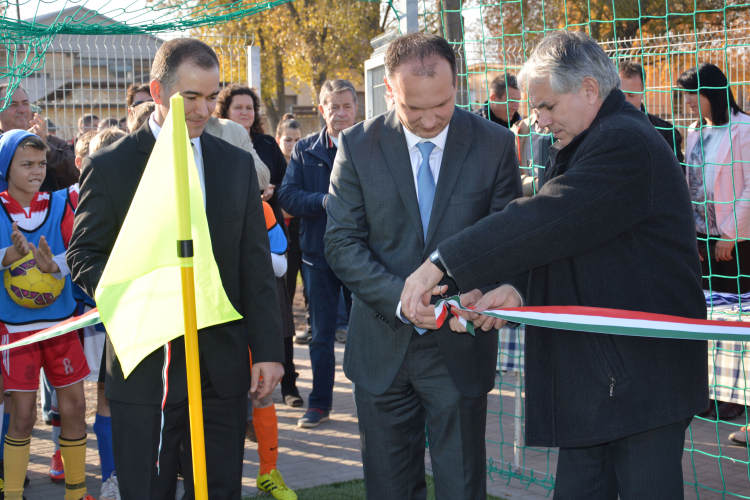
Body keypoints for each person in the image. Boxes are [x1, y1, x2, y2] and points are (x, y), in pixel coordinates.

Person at [401, 31, 708, 499]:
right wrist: (518, 291)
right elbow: (570, 238)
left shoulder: (624, 142)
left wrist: (441, 262)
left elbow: (547, 217)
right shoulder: (589, 140)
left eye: (546, 106)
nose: (538, 120)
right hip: (604, 378)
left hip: (641, 379)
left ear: (589, 89)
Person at [67, 38, 285, 499]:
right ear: (158, 91)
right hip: (148, 371)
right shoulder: (111, 166)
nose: (205, 109)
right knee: (149, 489)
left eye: (211, 96)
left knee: (221, 488)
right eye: (191, 97)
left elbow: (254, 265)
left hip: (221, 369)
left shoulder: (235, 164)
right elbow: (84, 256)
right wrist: (148, 289)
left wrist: (268, 349)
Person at [324, 33, 522, 499]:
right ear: (389, 92)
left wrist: (490, 289)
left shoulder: (494, 144)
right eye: (415, 109)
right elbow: (340, 243)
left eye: (444, 103)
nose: (431, 119)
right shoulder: (357, 146)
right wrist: (402, 297)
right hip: (381, 348)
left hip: (460, 346)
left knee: (462, 486)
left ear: (458, 85)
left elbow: (511, 237)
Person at [0, 130, 94, 500]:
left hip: (60, 325)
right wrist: (7, 257)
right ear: (7, 168)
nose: (36, 171)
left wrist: (53, 266)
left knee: (75, 405)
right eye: (26, 164)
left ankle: (76, 491)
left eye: (41, 164)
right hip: (16, 331)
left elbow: (81, 254)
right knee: (22, 415)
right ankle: (11, 493)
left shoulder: (63, 202)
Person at [214, 85, 303, 409]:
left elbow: (285, 183)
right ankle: (243, 391)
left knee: (279, 316)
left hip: (270, 229)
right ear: (224, 112)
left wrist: (271, 191)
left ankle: (289, 383)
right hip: (233, 237)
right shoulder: (217, 140)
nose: (245, 113)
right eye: (238, 108)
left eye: (249, 108)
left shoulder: (266, 144)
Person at [280, 79, 358, 429]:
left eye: (346, 105)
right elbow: (288, 196)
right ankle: (319, 403)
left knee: (368, 333)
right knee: (321, 335)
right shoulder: (305, 150)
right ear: (321, 108)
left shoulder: (371, 145)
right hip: (317, 256)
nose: (340, 112)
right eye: (333, 106)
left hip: (362, 256)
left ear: (356, 108)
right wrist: (324, 201)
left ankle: (373, 401)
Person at [677, 63, 750, 431]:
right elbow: (690, 186)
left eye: (692, 94)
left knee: (736, 319)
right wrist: (694, 234)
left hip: (735, 244)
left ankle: (735, 398)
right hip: (702, 241)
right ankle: (707, 390)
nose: (687, 102)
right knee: (706, 315)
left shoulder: (744, 129)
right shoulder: (694, 131)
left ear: (712, 93)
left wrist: (731, 235)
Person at [275, 115, 312, 347]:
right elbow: (278, 209)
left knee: (310, 289)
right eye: (288, 139)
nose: (292, 145)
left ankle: (309, 328)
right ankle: (282, 336)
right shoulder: (273, 166)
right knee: (285, 290)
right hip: (281, 240)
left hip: (305, 236)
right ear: (278, 139)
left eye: (297, 140)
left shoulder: (305, 164)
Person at [0, 84, 78, 192]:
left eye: (25, 103)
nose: (22, 110)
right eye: (13, 104)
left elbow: (75, 176)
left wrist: (44, 146)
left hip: (47, 208)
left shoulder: (54, 143)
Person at [619, 60, 684, 166]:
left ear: (643, 93)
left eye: (631, 95)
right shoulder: (598, 128)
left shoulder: (666, 133)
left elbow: (678, 176)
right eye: (620, 94)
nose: (625, 101)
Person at [512, 108, 553, 196]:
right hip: (529, 202)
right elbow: (508, 179)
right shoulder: (518, 131)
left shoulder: (567, 126)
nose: (516, 106)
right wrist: (534, 184)